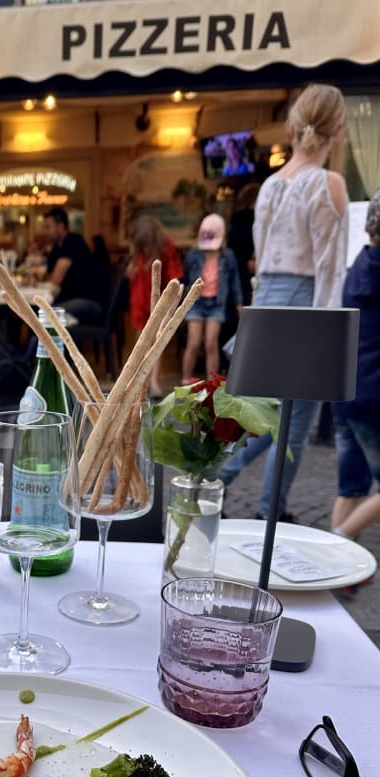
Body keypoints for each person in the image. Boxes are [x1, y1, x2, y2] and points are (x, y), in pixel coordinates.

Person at [219, 83, 349, 522]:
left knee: (263, 417)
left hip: (267, 303)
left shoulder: (271, 185)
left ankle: (220, 478)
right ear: (338, 131)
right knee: (291, 423)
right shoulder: (327, 184)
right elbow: (330, 270)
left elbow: (260, 259)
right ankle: (270, 511)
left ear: (292, 129)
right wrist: (330, 338)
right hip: (304, 306)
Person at [330, 189, 380, 542]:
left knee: (351, 486)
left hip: (345, 389)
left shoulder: (357, 266)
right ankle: (339, 540)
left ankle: (335, 569)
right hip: (373, 398)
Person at [126, 215, 183, 396]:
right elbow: (131, 271)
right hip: (139, 298)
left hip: (158, 300)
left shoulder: (166, 247)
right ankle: (139, 378)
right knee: (142, 339)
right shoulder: (139, 246)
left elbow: (175, 276)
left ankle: (154, 380)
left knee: (156, 340)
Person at [181, 214, 243, 382]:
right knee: (193, 343)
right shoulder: (193, 255)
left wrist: (239, 303)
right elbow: (185, 278)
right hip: (196, 302)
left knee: (211, 343)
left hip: (217, 303)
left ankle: (211, 383)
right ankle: (185, 379)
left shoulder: (228, 256)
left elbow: (234, 281)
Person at [42, 206, 103, 325]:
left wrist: (47, 276)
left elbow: (55, 279)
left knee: (45, 313)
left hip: (88, 302)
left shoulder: (73, 242)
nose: (45, 232)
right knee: (39, 310)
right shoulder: (57, 247)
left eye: (48, 227)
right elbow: (48, 275)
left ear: (60, 226)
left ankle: (42, 343)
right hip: (71, 299)